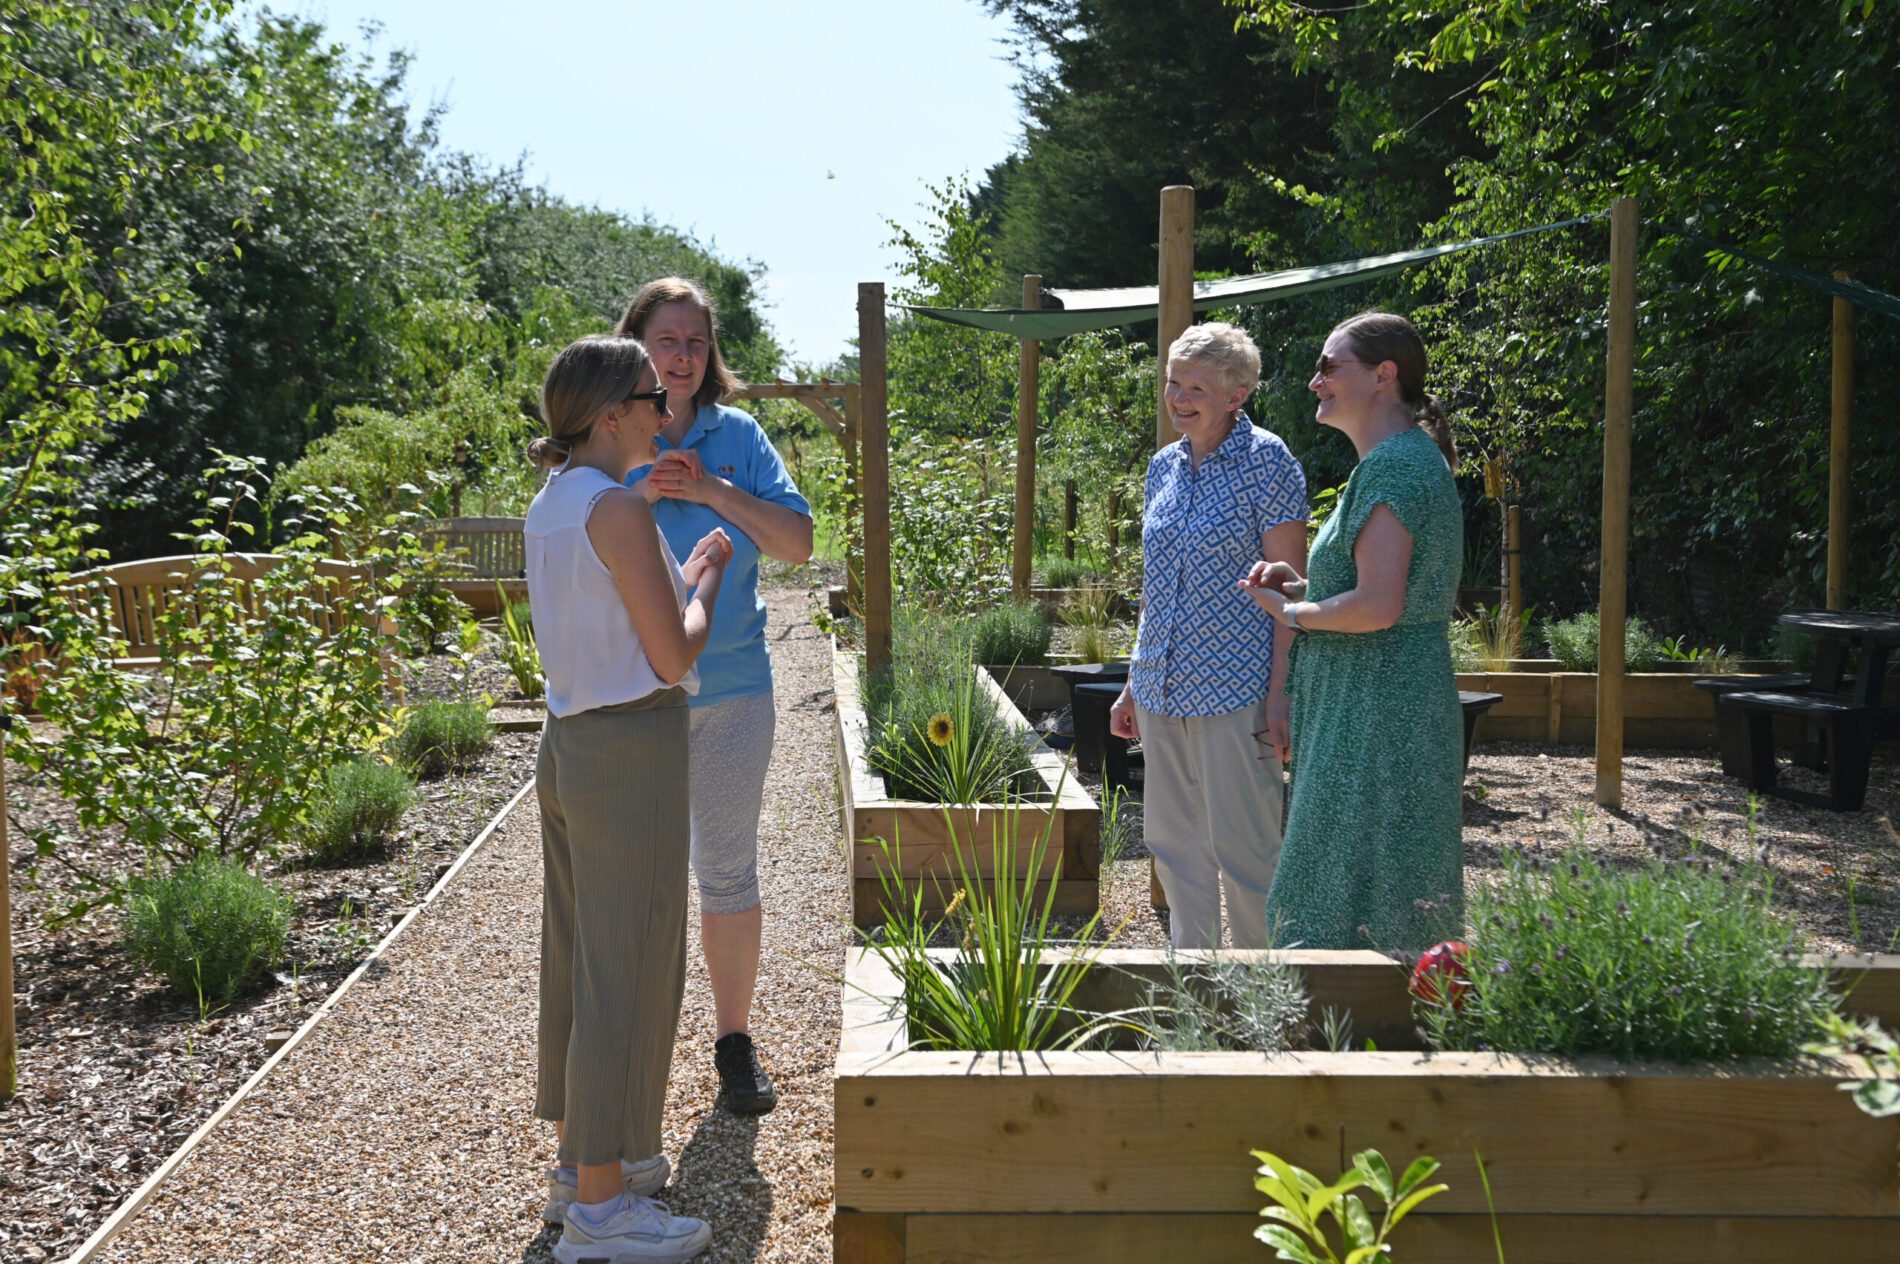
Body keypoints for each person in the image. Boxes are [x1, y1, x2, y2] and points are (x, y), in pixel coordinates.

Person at [526, 334, 730, 1263]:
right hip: (627, 746)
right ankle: (600, 1214)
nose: (665, 409)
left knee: (585, 957)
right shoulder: (610, 508)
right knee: (627, 964)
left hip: (570, 742)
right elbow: (674, 654)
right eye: (652, 397)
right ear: (612, 415)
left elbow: (614, 625)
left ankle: (592, 1165)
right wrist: (708, 578)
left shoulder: (554, 501)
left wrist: (673, 578)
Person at [616, 277, 813, 1115]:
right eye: (667, 340)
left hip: (732, 689)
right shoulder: (611, 433)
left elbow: (800, 544)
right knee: (636, 879)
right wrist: (638, 494)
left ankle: (734, 1043)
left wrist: (711, 491)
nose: (683, 356)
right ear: (637, 345)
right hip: (632, 696)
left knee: (726, 873)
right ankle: (627, 1052)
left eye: (696, 341)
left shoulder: (738, 435)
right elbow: (566, 541)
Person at [1243, 310, 1465, 952]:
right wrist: (1303, 590)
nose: (1315, 382)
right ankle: (1378, 1023)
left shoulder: (1395, 468)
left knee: (1341, 879)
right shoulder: (1398, 463)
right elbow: (1381, 594)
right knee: (1378, 879)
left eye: (1328, 367)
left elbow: (1377, 607)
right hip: (1378, 697)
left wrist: (1290, 613)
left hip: (1378, 705)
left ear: (1382, 377)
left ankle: (1336, 1027)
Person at [1108, 322, 1308, 950]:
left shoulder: (1267, 461)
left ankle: (1260, 1009)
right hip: (1161, 689)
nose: (1178, 397)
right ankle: (1195, 999)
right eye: (1172, 382)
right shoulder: (1163, 466)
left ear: (1237, 394)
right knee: (1175, 852)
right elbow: (1157, 582)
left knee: (1246, 854)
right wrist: (1131, 684)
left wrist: (1281, 695)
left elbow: (1291, 591)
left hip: (1236, 690)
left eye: (1195, 385)